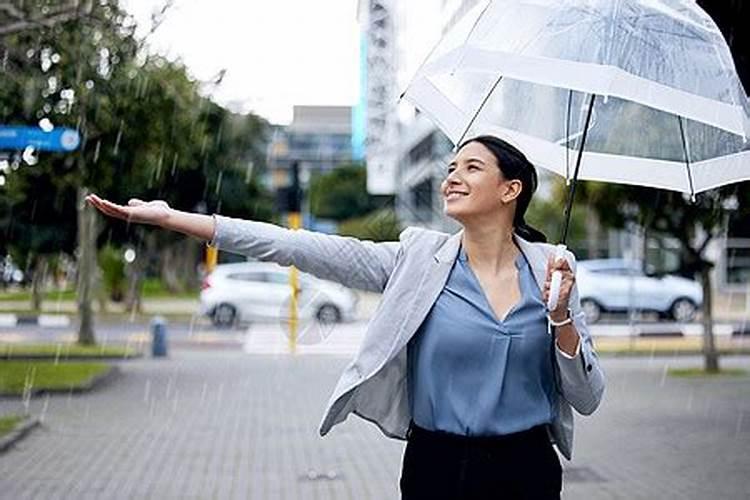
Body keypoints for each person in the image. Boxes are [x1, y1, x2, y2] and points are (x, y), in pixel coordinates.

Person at [86, 134, 605, 499]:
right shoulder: (417, 258)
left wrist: (560, 319)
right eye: (449, 167)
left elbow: (587, 397)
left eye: (471, 168)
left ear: (510, 190)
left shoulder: (554, 270)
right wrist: (176, 218)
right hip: (439, 466)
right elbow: (295, 246)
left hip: (527, 469)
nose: (452, 177)